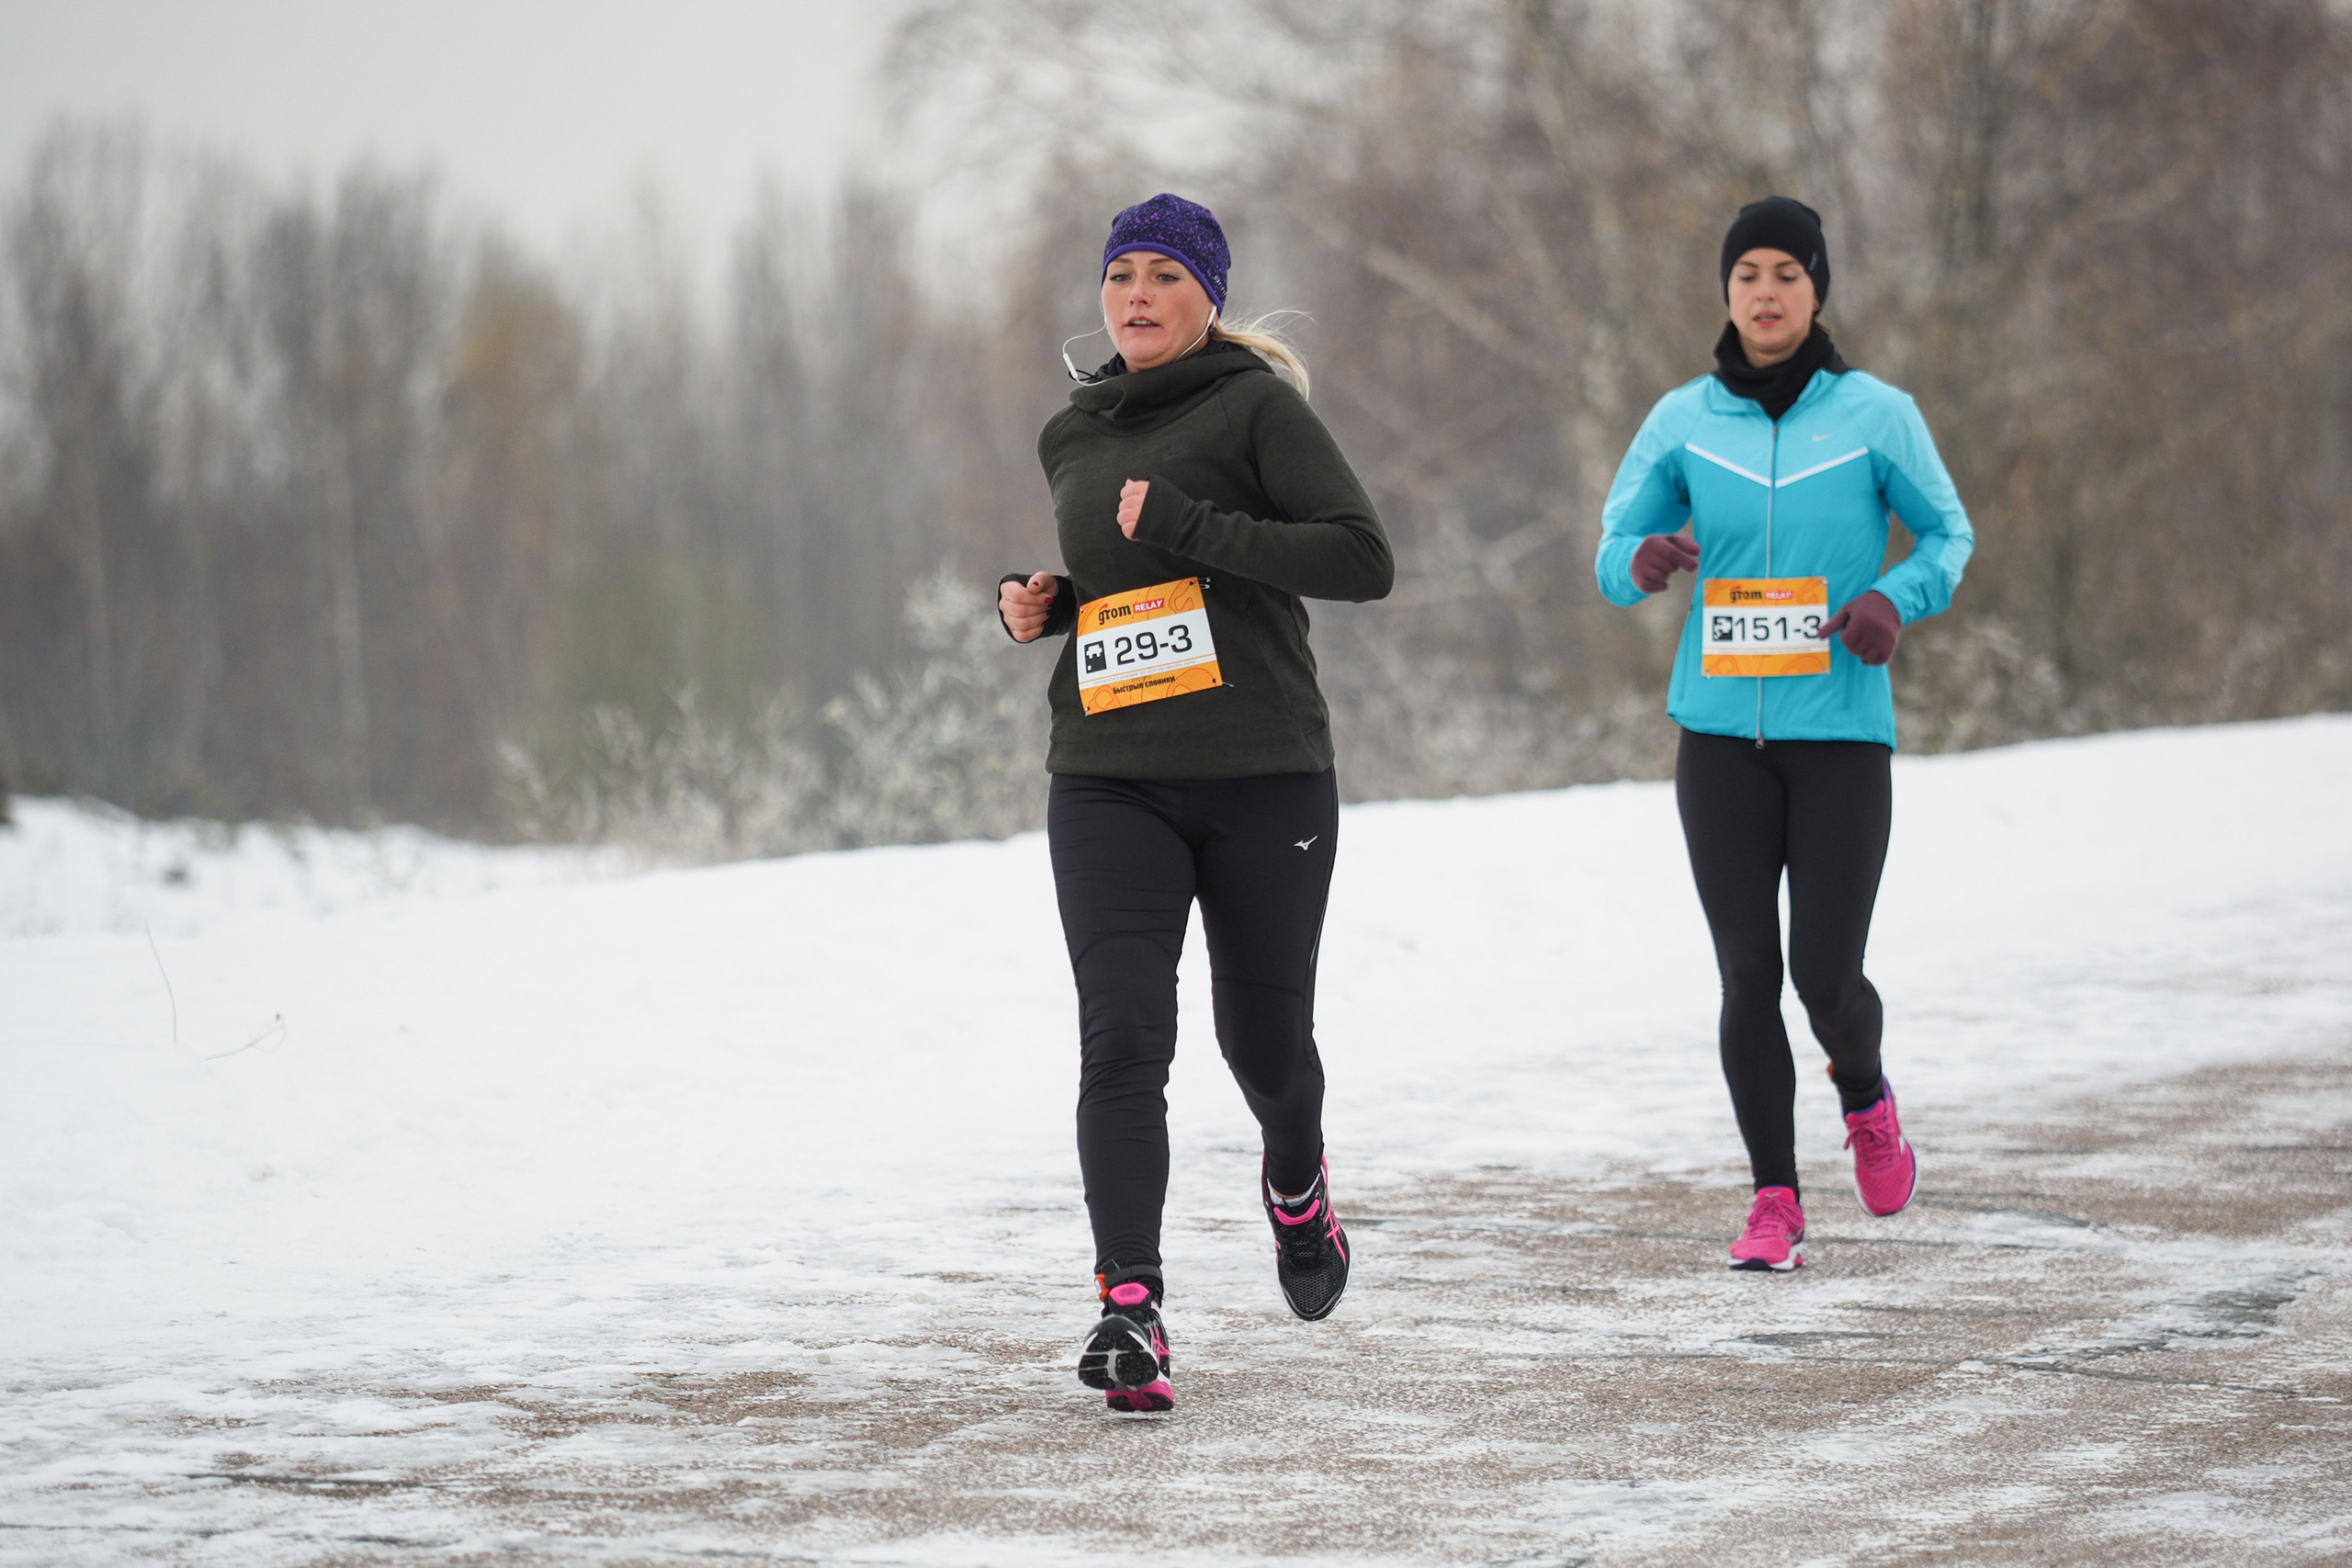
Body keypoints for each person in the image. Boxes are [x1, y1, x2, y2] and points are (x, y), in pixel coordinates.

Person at [999, 194, 1393, 1409]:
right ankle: (1132, 1305)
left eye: (1165, 273)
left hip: (1262, 770)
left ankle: (1296, 1178)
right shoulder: (1073, 430)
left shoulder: (1257, 407)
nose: (1137, 294)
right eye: (1121, 273)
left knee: (1263, 1042)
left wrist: (1195, 527)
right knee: (1123, 1037)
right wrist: (1048, 602)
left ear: (1208, 295)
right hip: (1109, 772)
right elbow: (1129, 587)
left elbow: (1358, 556)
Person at [1593, 197, 1973, 1272]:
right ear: (1726, 292)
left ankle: (1864, 1095)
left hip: (1840, 735)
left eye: (1786, 275)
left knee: (1824, 974)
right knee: (1745, 974)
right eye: (1747, 273)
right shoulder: (1681, 420)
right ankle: (1773, 1201)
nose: (1765, 292)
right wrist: (1643, 561)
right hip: (1717, 737)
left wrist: (1895, 599)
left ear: (1817, 293)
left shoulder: (1875, 414)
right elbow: (1611, 545)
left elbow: (1949, 532)